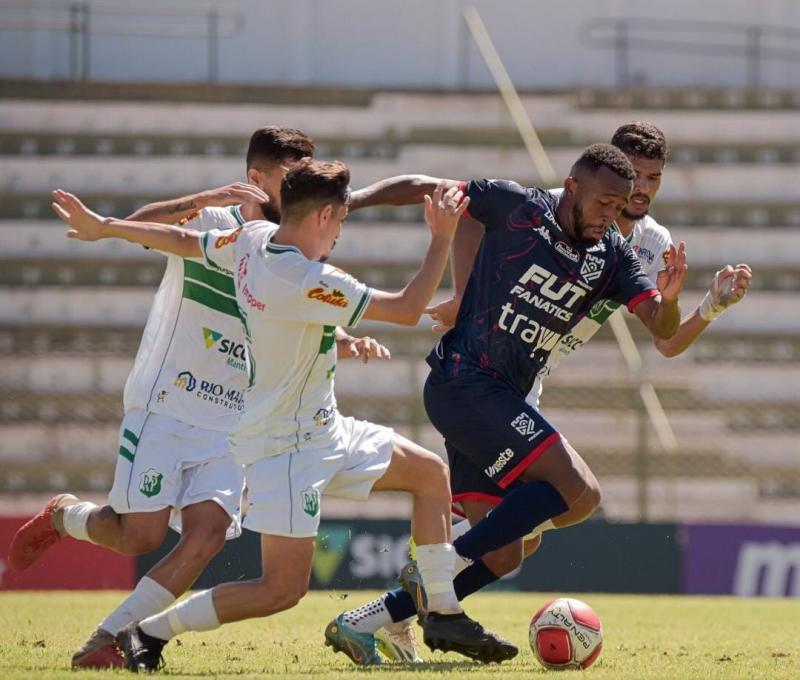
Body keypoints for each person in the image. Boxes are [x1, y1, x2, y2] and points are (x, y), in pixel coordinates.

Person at [50, 159, 518, 671]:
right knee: (280, 590)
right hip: (287, 448)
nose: (341, 232)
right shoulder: (307, 278)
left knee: (430, 474)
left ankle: (443, 611)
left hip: (325, 428)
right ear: (322, 215)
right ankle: (149, 631)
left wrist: (108, 227)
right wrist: (441, 238)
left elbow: (187, 244)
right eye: (340, 220)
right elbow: (406, 309)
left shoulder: (250, 239)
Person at [8, 127, 383, 669]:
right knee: (139, 534)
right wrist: (202, 199)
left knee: (206, 535)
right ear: (257, 180)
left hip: (234, 420)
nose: (302, 183)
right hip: (166, 401)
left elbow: (292, 317)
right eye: (290, 176)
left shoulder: (297, 248)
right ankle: (65, 515)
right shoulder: (215, 222)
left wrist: (345, 341)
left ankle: (112, 640)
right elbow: (140, 226)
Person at [328, 141, 695, 663]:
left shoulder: (612, 254)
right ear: (572, 188)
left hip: (499, 399)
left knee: (506, 550)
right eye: (604, 203)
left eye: (620, 206)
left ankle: (372, 621)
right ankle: (440, 569)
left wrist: (673, 296)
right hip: (464, 381)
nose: (610, 216)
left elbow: (662, 325)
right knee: (581, 494)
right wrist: (353, 200)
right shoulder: (518, 207)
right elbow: (427, 188)